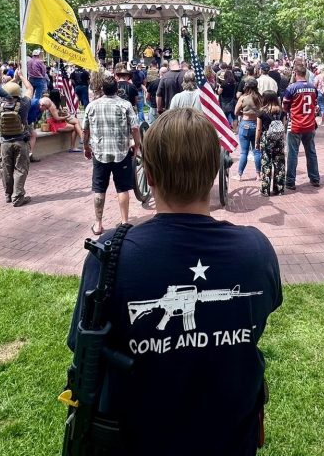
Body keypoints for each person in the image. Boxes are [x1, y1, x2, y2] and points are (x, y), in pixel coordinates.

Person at [65, 108, 282, 456]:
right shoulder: (255, 250)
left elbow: (82, 343)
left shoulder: (110, 255)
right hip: (227, 441)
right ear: (215, 171)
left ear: (148, 176)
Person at [82, 77, 141, 236]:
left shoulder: (92, 105)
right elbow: (135, 128)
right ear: (116, 89)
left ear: (102, 89)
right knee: (122, 188)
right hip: (121, 151)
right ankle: (124, 222)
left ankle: (98, 223)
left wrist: (86, 146)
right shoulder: (125, 105)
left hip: (100, 152)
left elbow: (85, 130)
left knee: (99, 188)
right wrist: (137, 144)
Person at [282, 64, 321, 190]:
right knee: (311, 152)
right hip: (310, 124)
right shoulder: (312, 87)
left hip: (296, 125)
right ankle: (315, 178)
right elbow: (315, 104)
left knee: (292, 153)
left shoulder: (291, 88)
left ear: (295, 73)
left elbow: (285, 106)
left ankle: (290, 181)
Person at [0, 77, 33, 207]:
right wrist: (22, 77)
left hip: (5, 143)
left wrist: (13, 79)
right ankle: (17, 197)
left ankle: (8, 195)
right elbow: (30, 89)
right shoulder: (23, 104)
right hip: (20, 141)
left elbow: (1, 90)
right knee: (20, 169)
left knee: (6, 169)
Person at [255, 90, 287, 197]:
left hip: (266, 139)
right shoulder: (281, 111)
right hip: (279, 139)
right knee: (279, 164)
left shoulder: (262, 112)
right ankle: (279, 189)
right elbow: (284, 126)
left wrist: (257, 142)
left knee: (266, 163)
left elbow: (259, 129)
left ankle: (265, 190)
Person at [233, 79, 262, 181]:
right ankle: (259, 175)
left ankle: (239, 175)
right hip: (257, 125)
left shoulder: (243, 98)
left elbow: (236, 112)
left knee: (244, 152)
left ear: (247, 87)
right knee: (257, 151)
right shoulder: (260, 98)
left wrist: (243, 114)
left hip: (245, 124)